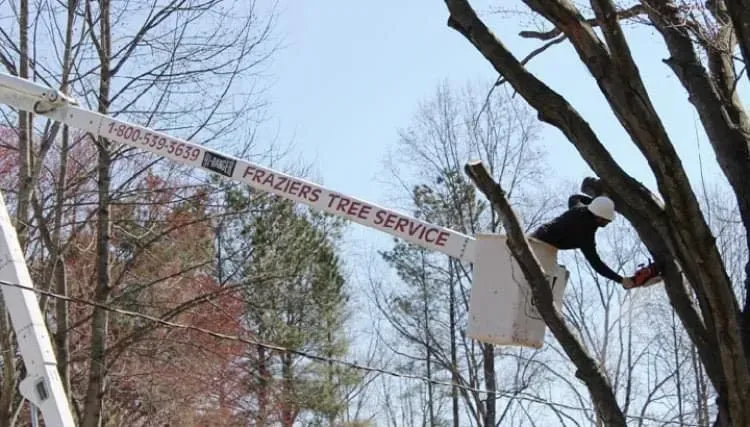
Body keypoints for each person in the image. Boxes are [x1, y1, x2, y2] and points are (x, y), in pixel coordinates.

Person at [530, 193, 638, 289]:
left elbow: (574, 197)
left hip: (537, 239)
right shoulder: (585, 233)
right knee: (541, 283)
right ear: (599, 218)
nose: (609, 222)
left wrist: (597, 203)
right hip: (542, 248)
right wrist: (621, 280)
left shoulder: (579, 208)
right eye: (607, 220)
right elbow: (596, 263)